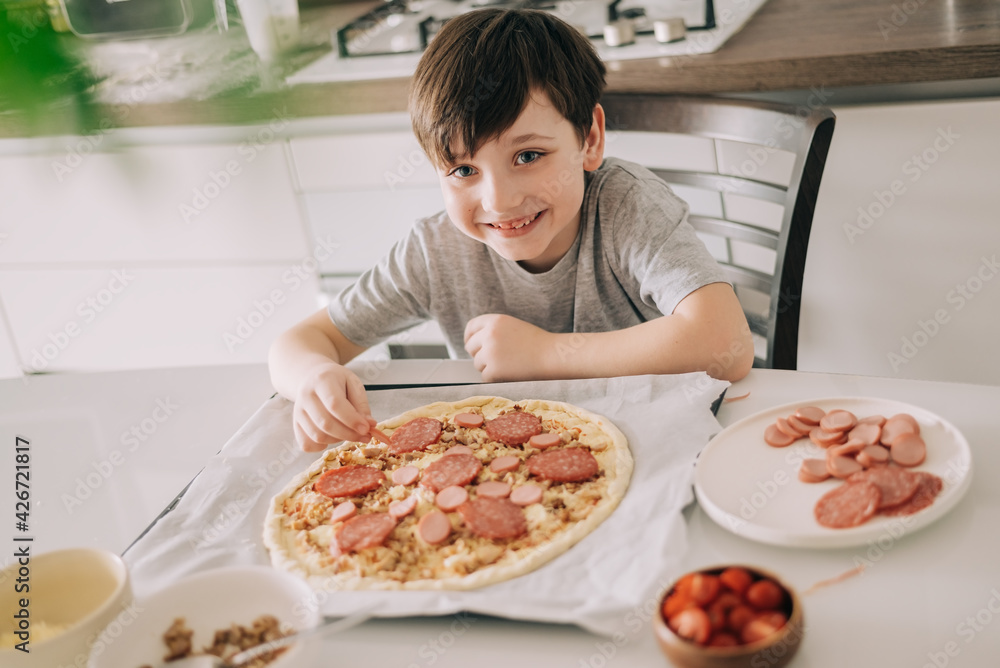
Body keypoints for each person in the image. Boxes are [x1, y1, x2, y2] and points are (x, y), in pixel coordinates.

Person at [269, 8, 754, 451]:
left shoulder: (625, 205)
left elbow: (724, 344)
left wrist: (546, 354)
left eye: (528, 156)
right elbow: (300, 342)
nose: (498, 200)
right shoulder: (435, 251)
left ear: (590, 139)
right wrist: (314, 376)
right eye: (462, 170)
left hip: (656, 446)